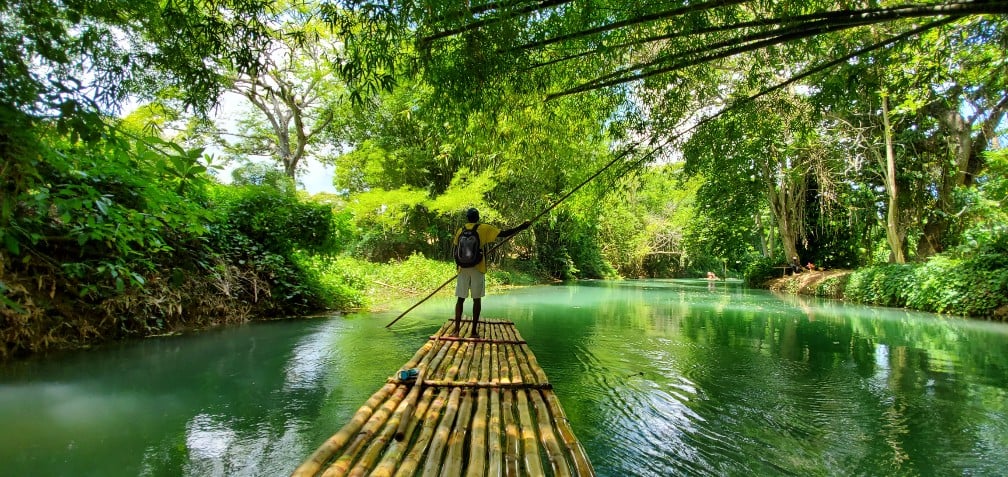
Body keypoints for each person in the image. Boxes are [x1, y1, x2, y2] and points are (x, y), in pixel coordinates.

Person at [452, 208, 530, 338]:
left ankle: (456, 330)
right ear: (477, 217)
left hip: (462, 269)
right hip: (478, 268)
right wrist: (522, 227)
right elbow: (504, 233)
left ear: (467, 218)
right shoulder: (483, 228)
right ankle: (473, 332)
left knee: (460, 299)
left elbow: (456, 249)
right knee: (476, 300)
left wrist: (459, 265)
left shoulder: (460, 230)